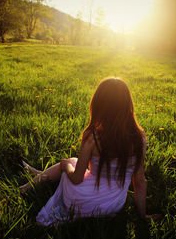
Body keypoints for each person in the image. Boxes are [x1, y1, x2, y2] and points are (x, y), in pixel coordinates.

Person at [19, 77, 147, 226]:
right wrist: (143, 216)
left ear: (99, 105)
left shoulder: (93, 136)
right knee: (73, 163)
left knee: (71, 162)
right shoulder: (139, 138)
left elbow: (77, 178)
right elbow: (140, 181)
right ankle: (38, 174)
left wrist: (65, 166)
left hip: (80, 200)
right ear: (127, 105)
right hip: (113, 205)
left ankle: (25, 188)